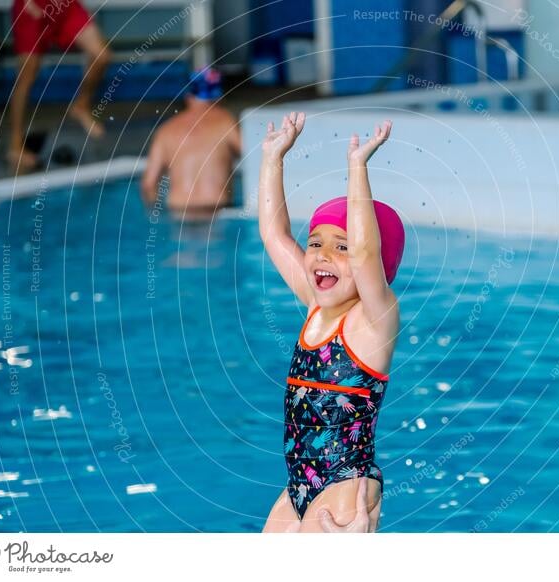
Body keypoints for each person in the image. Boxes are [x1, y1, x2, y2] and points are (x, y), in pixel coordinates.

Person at [259, 112, 405, 533]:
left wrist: (356, 169)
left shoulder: (374, 320)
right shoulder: (317, 308)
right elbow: (273, 233)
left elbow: (364, 255)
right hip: (298, 486)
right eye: (316, 243)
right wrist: (273, 158)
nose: (323, 254)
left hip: (345, 482)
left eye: (340, 246)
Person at [8, 0, 112, 172]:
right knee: (26, 77)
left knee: (101, 55)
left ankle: (81, 105)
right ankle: (15, 145)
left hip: (65, 6)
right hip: (31, 7)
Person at [141, 68, 241, 219]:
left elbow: (149, 184)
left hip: (179, 213)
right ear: (219, 97)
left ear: (188, 97)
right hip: (216, 211)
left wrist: (154, 213)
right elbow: (255, 158)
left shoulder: (166, 130)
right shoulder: (226, 122)